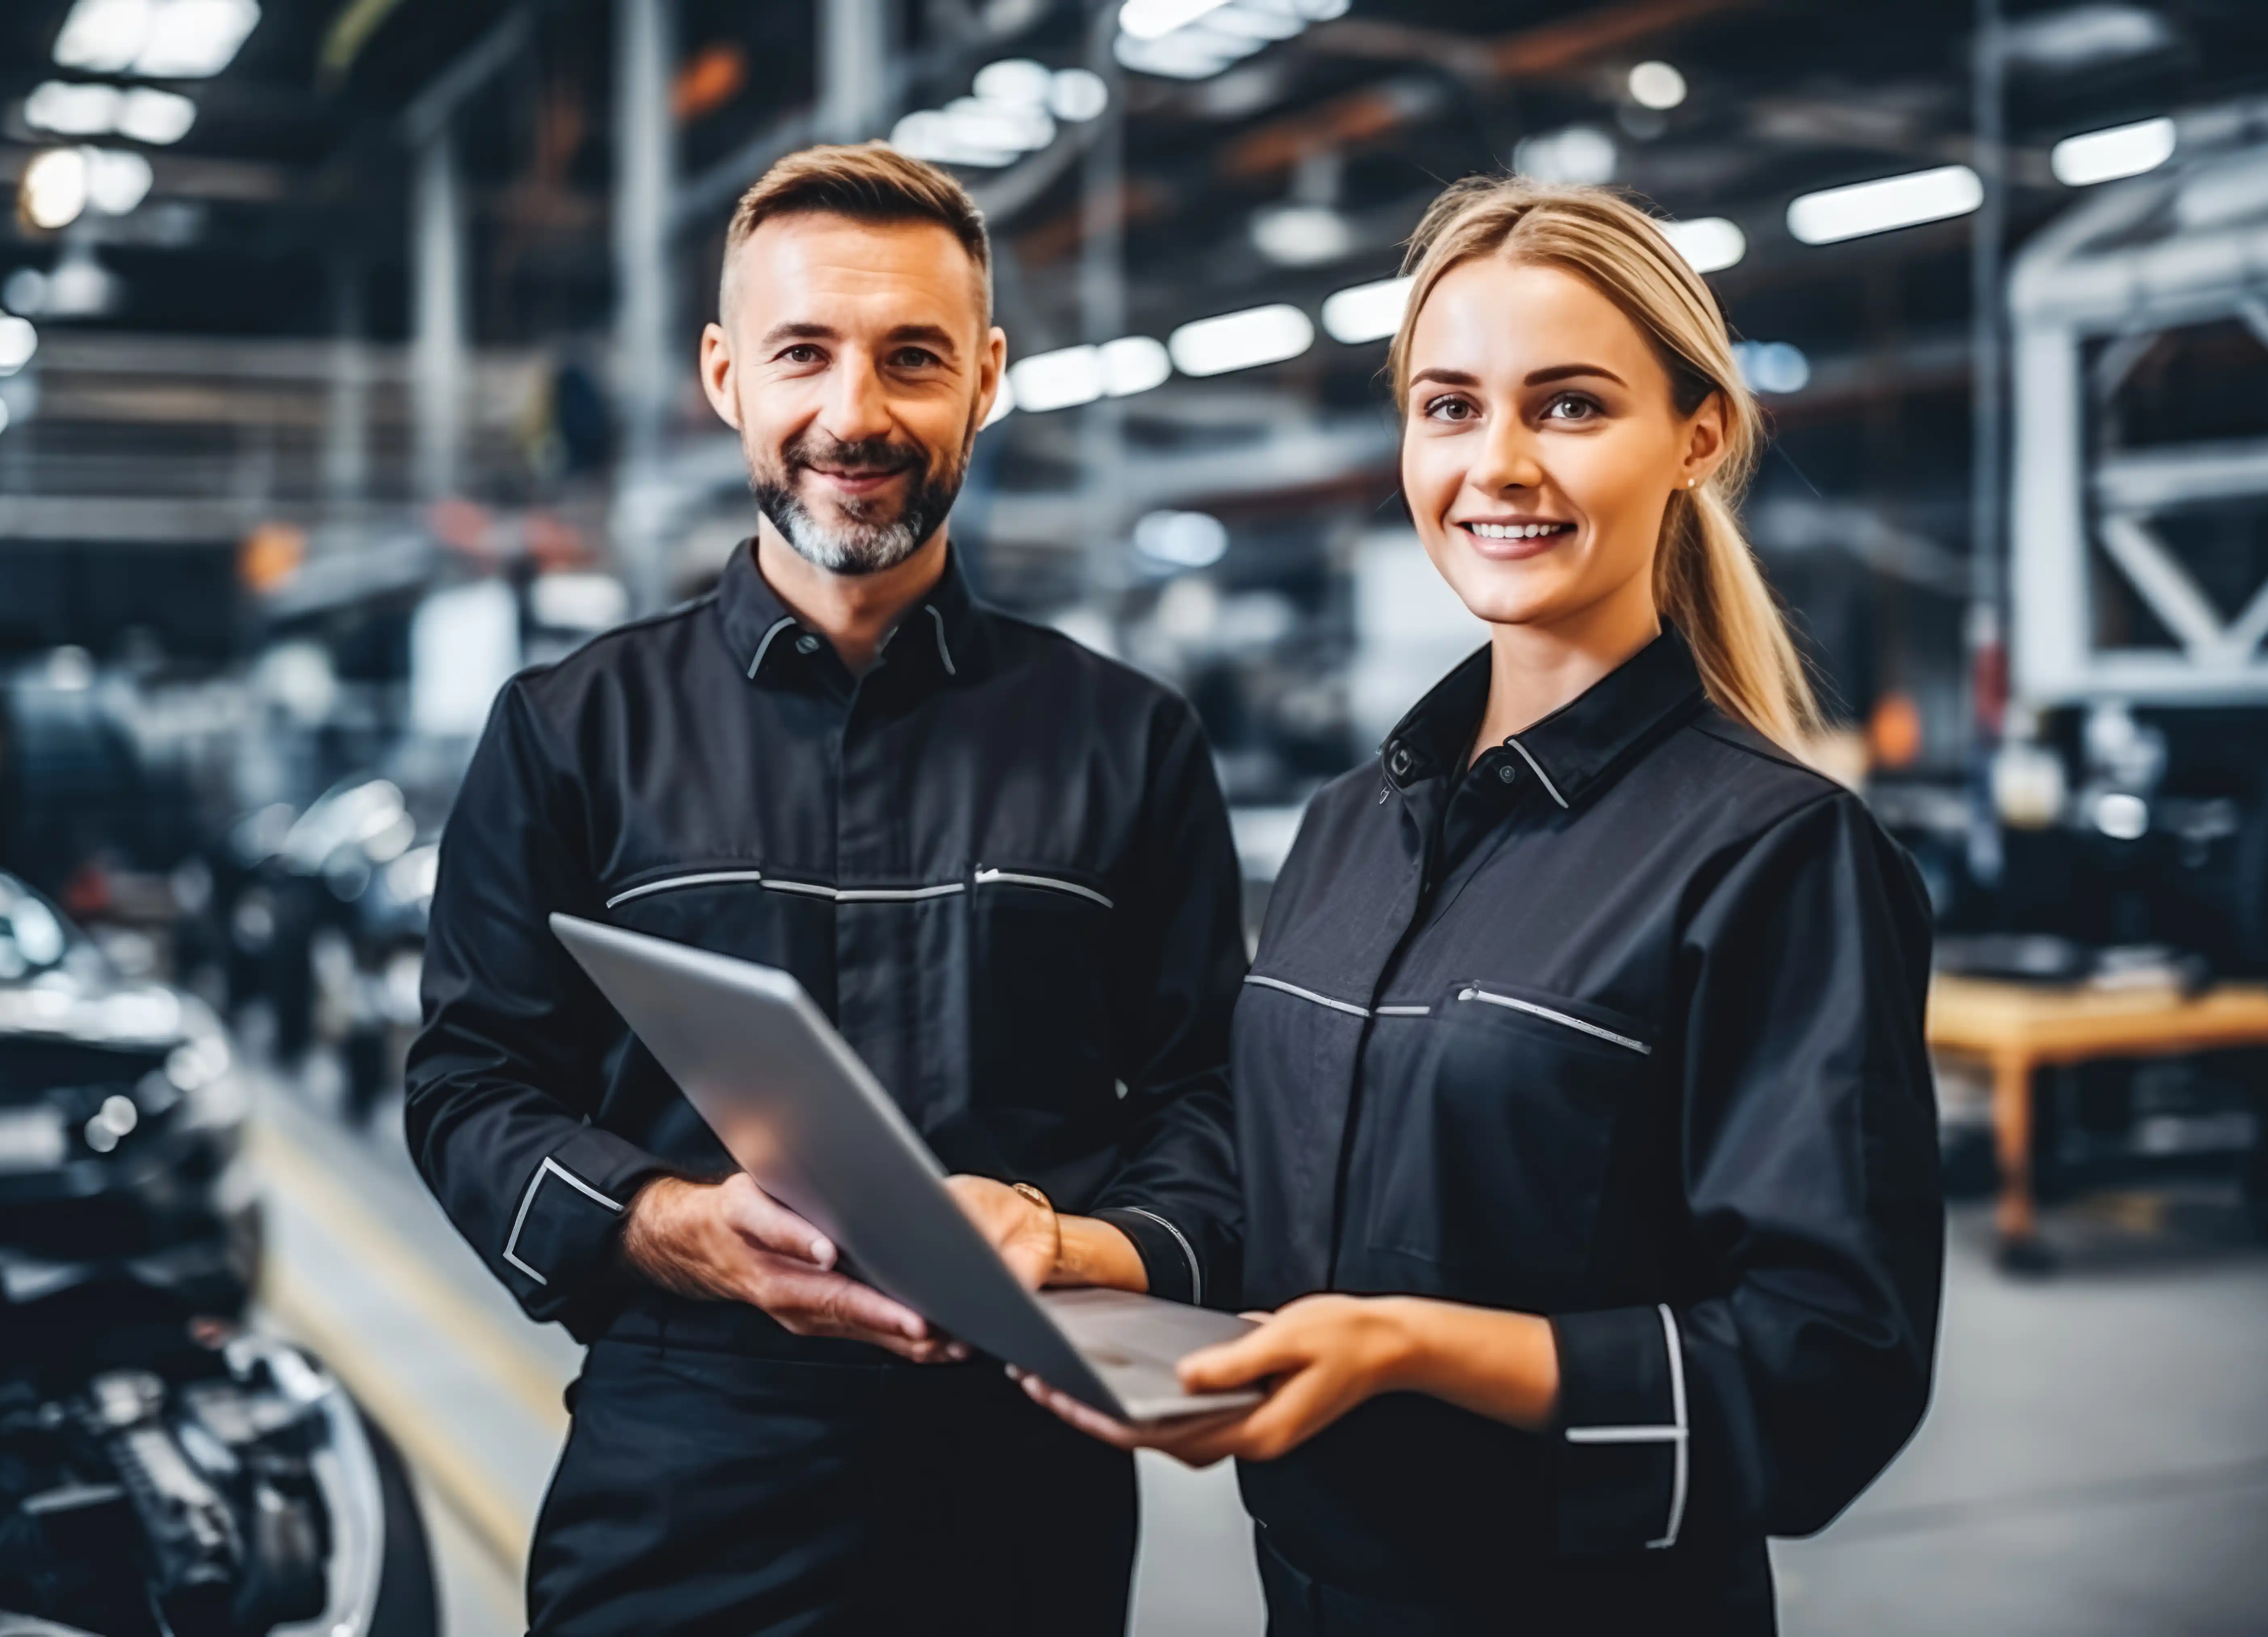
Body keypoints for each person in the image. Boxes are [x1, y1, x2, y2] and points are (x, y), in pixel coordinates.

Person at [1019, 176, 1944, 1633]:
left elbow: (1827, 1375)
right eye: (1449, 407)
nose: (1497, 463)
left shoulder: (1776, 856)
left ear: (1697, 435)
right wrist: (1086, 1250)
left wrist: (1420, 1349)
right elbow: (1307, 1197)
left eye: (1569, 406)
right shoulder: (1348, 828)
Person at [403, 144, 1246, 1636]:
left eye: (912, 359)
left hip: (1023, 1493)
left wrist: (1073, 1242)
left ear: (988, 378)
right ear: (726, 377)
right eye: (804, 353)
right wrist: (672, 1222)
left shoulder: (1129, 742)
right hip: (681, 1480)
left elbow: (1216, 1113)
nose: (853, 416)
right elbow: (469, 1085)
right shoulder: (568, 730)